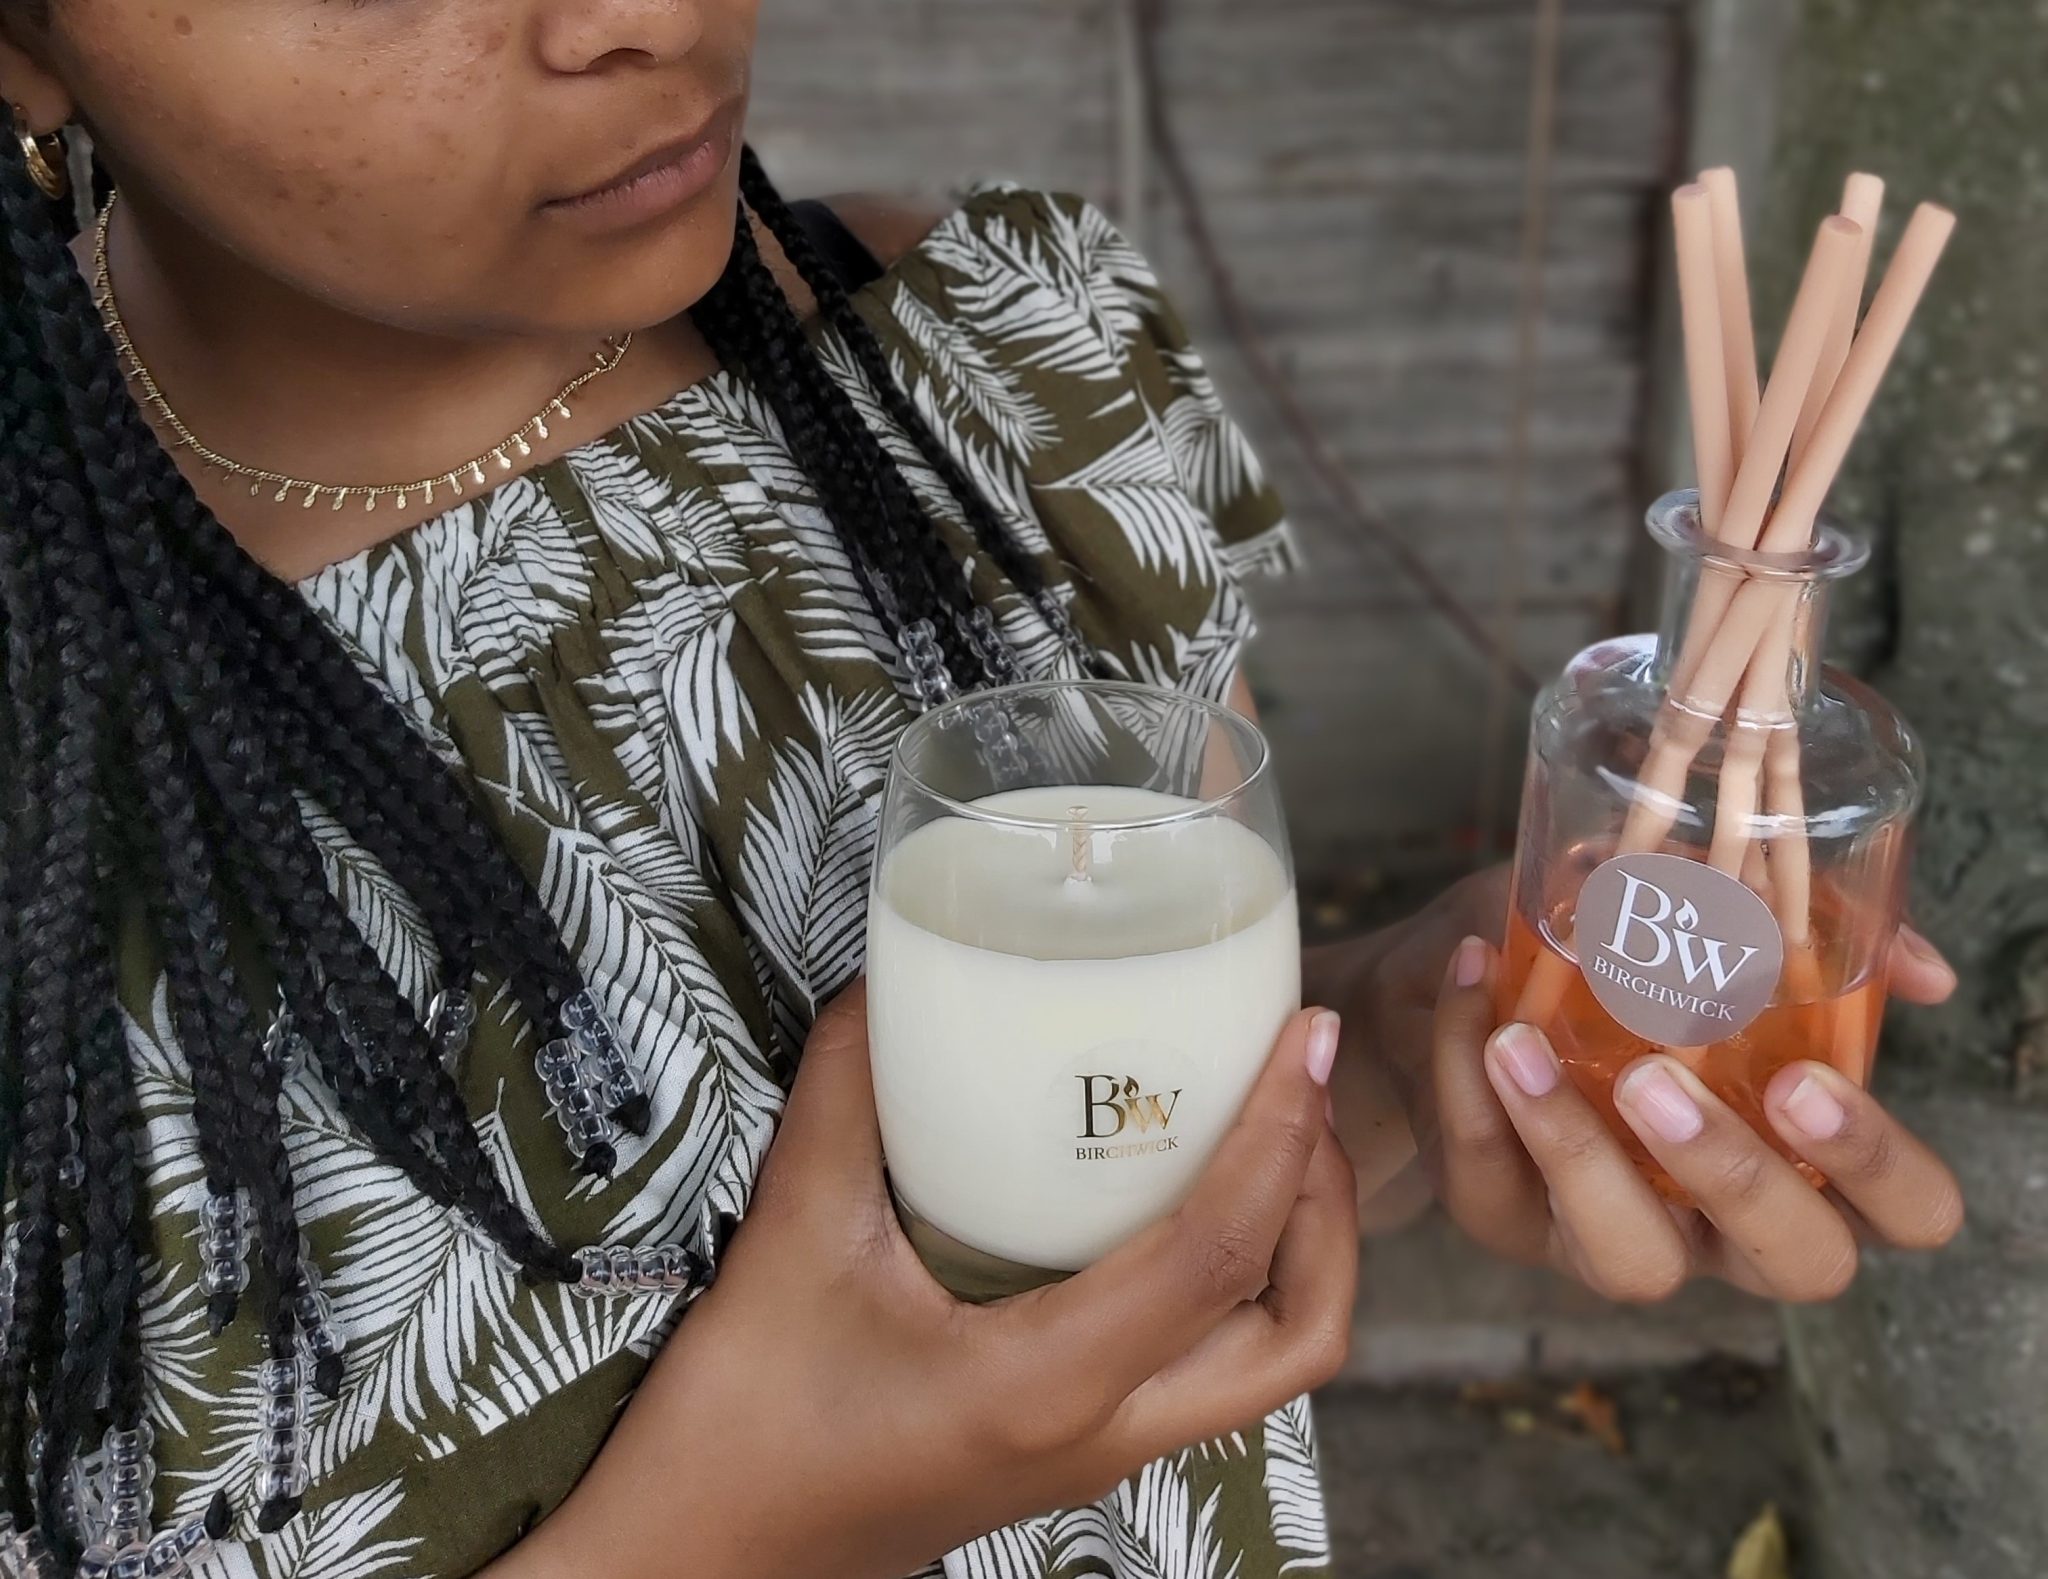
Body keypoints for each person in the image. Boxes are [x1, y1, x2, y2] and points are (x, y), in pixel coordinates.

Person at [0, 3, 1967, 1577]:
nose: (641, 18)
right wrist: (760, 1531)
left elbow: (1108, 1187)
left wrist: (1408, 1050)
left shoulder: (972, 358)